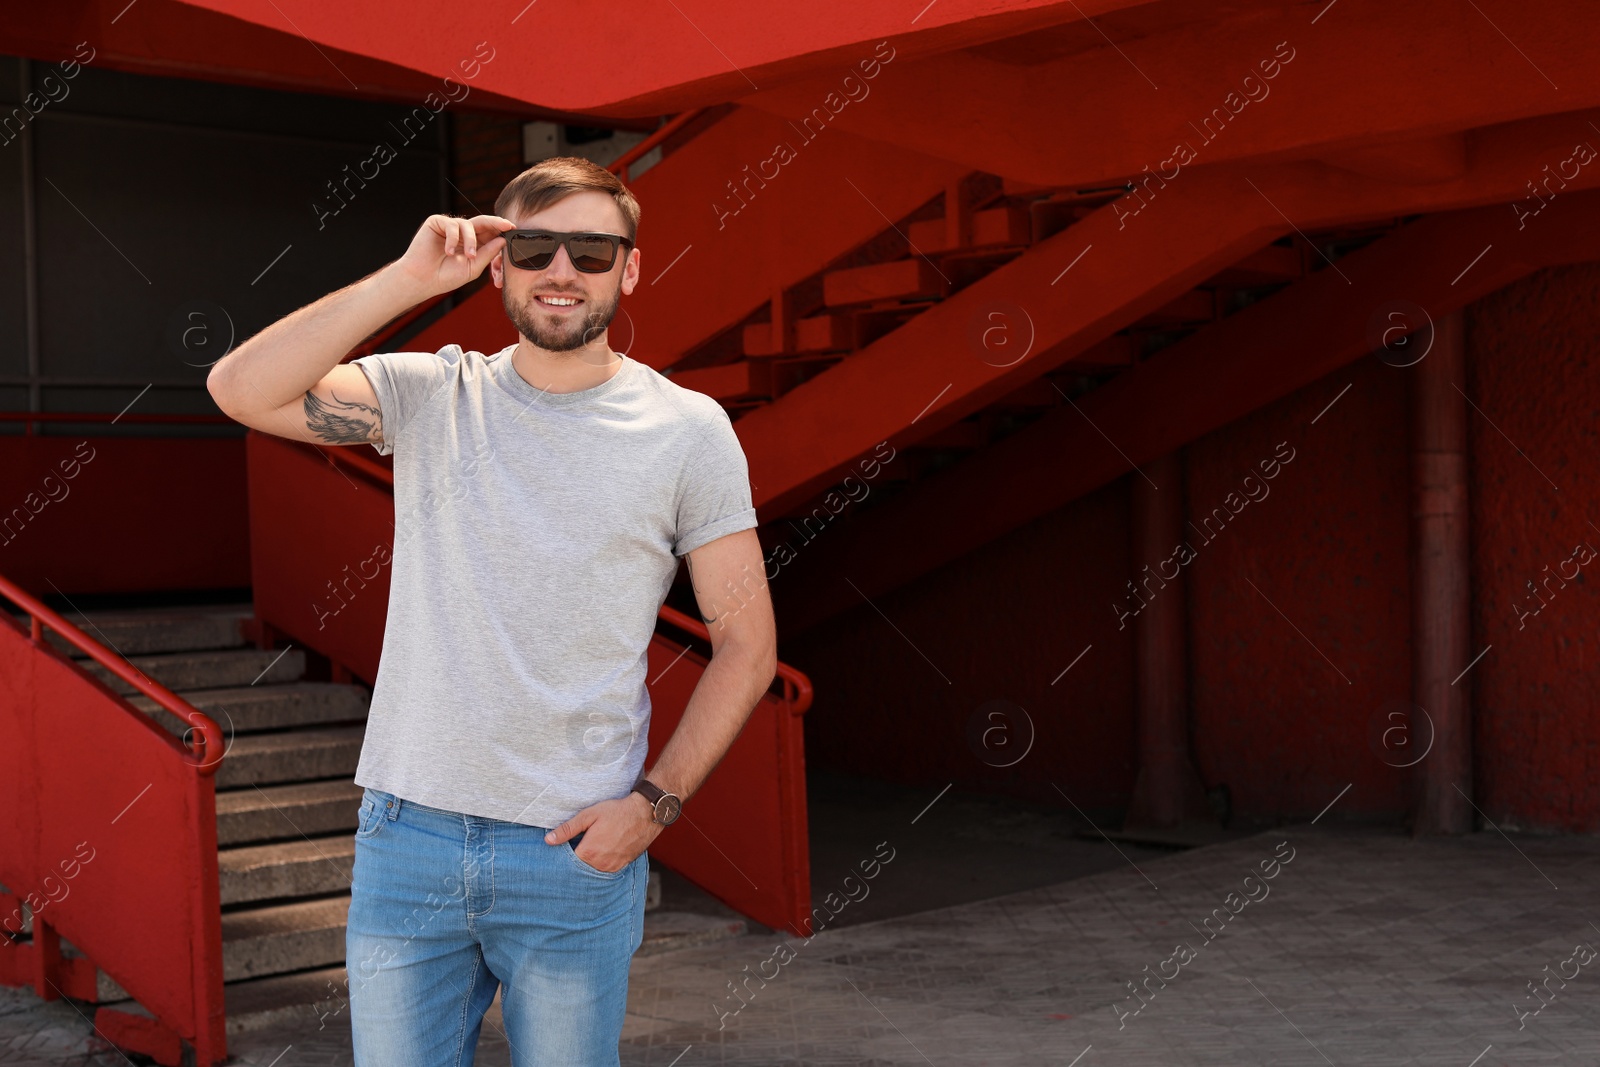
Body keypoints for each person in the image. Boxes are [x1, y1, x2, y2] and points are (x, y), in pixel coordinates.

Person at [206, 155, 777, 1065]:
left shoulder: (688, 429)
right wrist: (406, 278)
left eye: (591, 252)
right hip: (408, 841)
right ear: (496, 265)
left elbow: (748, 644)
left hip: (573, 850)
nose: (562, 271)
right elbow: (241, 390)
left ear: (630, 269)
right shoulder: (432, 393)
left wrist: (654, 806)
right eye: (535, 247)